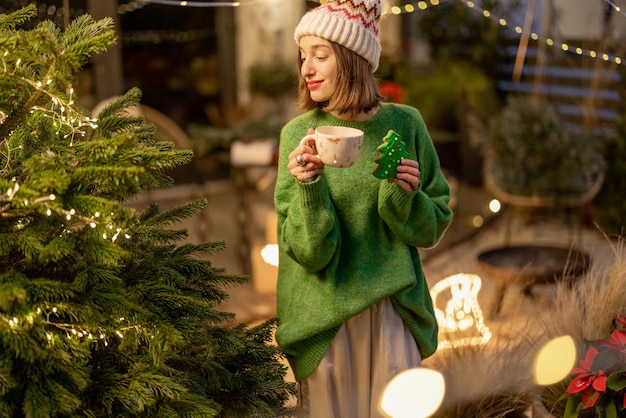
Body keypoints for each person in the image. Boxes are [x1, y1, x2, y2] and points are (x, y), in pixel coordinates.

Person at [273, 0, 453, 416]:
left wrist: (405, 195)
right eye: (303, 56)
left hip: (391, 311)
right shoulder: (298, 135)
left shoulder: (405, 124)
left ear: (353, 60)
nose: (306, 69)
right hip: (324, 316)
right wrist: (310, 187)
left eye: (320, 55)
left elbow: (430, 229)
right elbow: (309, 253)